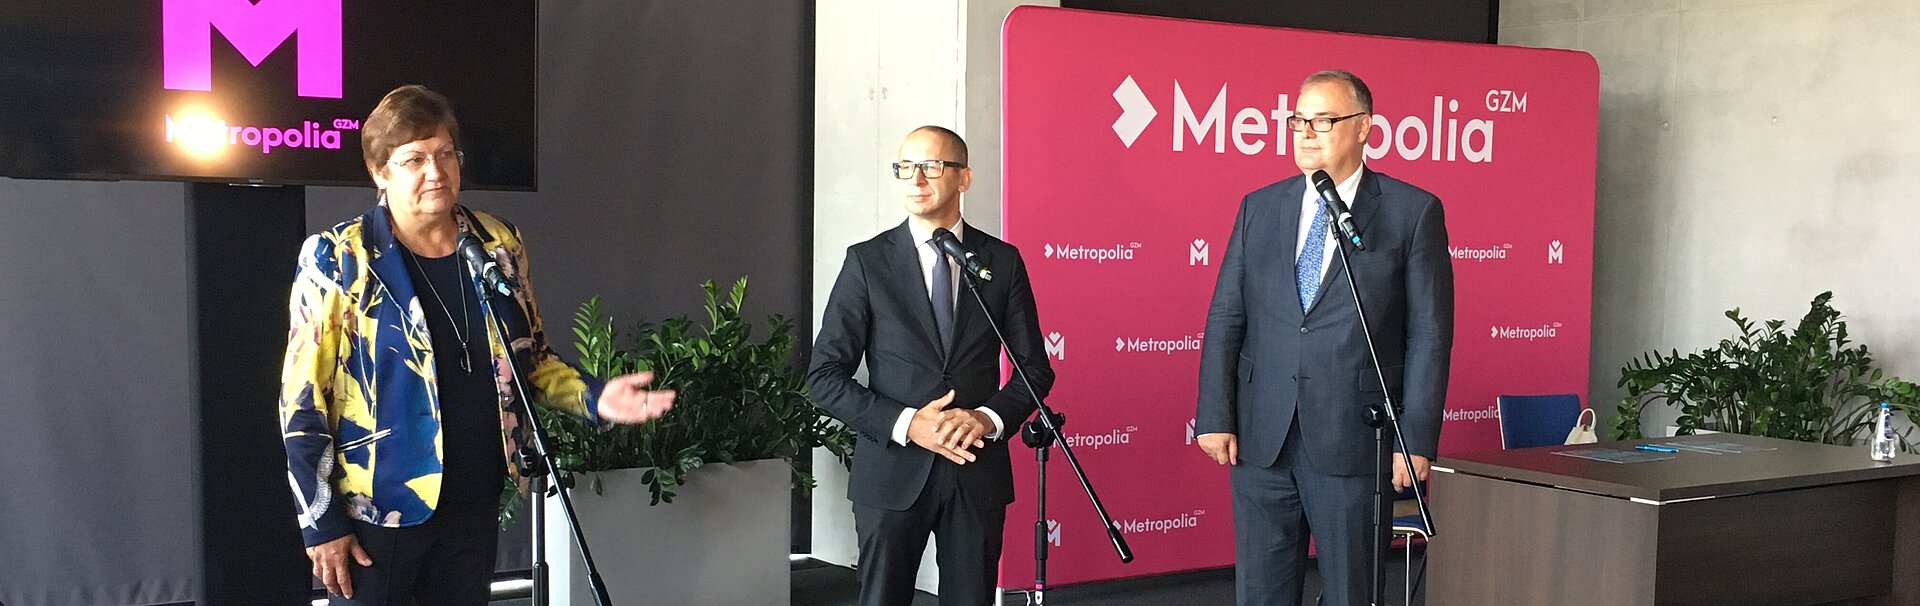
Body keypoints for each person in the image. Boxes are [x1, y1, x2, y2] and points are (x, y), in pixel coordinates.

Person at [278, 85, 676, 605]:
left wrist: (595, 398)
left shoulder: (497, 243)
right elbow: (302, 401)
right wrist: (321, 522)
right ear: (380, 173)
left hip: (474, 502)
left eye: (445, 154)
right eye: (414, 159)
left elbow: (530, 359)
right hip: (378, 515)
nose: (435, 172)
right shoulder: (338, 258)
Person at [1193, 70, 1454, 606]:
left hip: (1355, 442)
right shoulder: (1259, 207)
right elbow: (1226, 315)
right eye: (1297, 121)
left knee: (1351, 593)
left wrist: (1417, 437)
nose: (1306, 133)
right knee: (1261, 592)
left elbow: (1429, 332)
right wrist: (1215, 413)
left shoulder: (1411, 212)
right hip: (1262, 439)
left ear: (1365, 128)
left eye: (1323, 120)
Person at [808, 126, 1054, 605]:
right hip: (892, 472)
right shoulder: (867, 262)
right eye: (905, 167)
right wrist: (908, 424)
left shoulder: (999, 262)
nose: (916, 178)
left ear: (964, 178)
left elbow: (1034, 369)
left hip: (975, 469)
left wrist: (987, 418)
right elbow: (824, 376)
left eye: (932, 166)